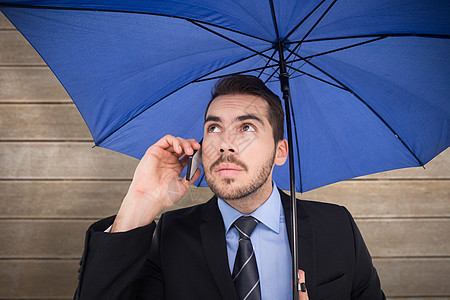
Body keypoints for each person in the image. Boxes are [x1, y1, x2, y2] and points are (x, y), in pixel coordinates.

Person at [74, 75, 385, 300]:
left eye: (246, 127)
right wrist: (140, 200)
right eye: (214, 128)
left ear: (280, 152)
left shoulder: (335, 226)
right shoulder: (170, 234)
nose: (225, 144)